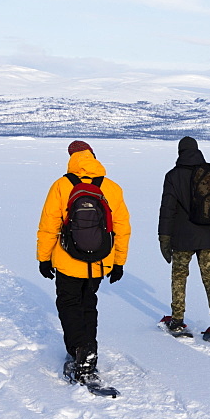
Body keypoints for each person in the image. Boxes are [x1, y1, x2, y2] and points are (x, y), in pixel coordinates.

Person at [37, 140, 131, 385]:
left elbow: (49, 226)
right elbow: (122, 229)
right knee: (89, 304)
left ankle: (81, 349)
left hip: (68, 260)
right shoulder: (111, 188)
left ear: (71, 159)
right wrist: (118, 262)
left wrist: (44, 259)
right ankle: (88, 352)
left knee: (69, 305)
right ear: (93, 156)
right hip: (100, 262)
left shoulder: (61, 186)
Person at [158, 136, 210, 348]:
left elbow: (168, 210)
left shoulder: (173, 176)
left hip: (182, 238)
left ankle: (177, 321)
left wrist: (164, 238)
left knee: (179, 277)